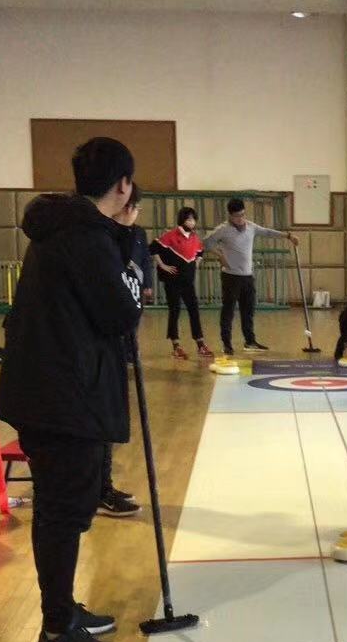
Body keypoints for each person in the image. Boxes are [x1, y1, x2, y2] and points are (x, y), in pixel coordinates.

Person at [0, 137, 143, 642]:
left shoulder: (67, 229)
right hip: (64, 396)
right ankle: (57, 631)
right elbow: (122, 314)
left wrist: (120, 243)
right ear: (123, 185)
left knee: (64, 508)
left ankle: (64, 611)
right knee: (62, 512)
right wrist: (131, 245)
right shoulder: (85, 238)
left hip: (50, 390)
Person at [97, 184, 151, 519]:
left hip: (109, 348)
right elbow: (120, 294)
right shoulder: (99, 242)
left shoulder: (119, 237)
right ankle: (97, 491)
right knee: (99, 426)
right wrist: (126, 232)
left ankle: (102, 487)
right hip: (89, 355)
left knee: (105, 427)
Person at [204, 198, 297, 355]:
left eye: (242, 215)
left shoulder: (251, 227)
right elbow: (206, 242)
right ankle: (226, 343)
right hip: (231, 277)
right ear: (230, 216)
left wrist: (287, 235)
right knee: (228, 310)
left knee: (248, 310)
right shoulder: (223, 229)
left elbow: (267, 232)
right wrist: (219, 255)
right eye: (237, 216)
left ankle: (250, 341)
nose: (240, 219)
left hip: (247, 276)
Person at [150, 206, 213, 362]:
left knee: (194, 310)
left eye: (194, 219)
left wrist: (197, 262)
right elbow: (153, 248)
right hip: (172, 281)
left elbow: (200, 252)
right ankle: (176, 346)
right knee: (175, 310)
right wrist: (163, 266)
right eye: (189, 219)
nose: (192, 222)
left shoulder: (194, 237)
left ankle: (200, 343)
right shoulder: (170, 235)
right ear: (182, 220)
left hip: (187, 282)